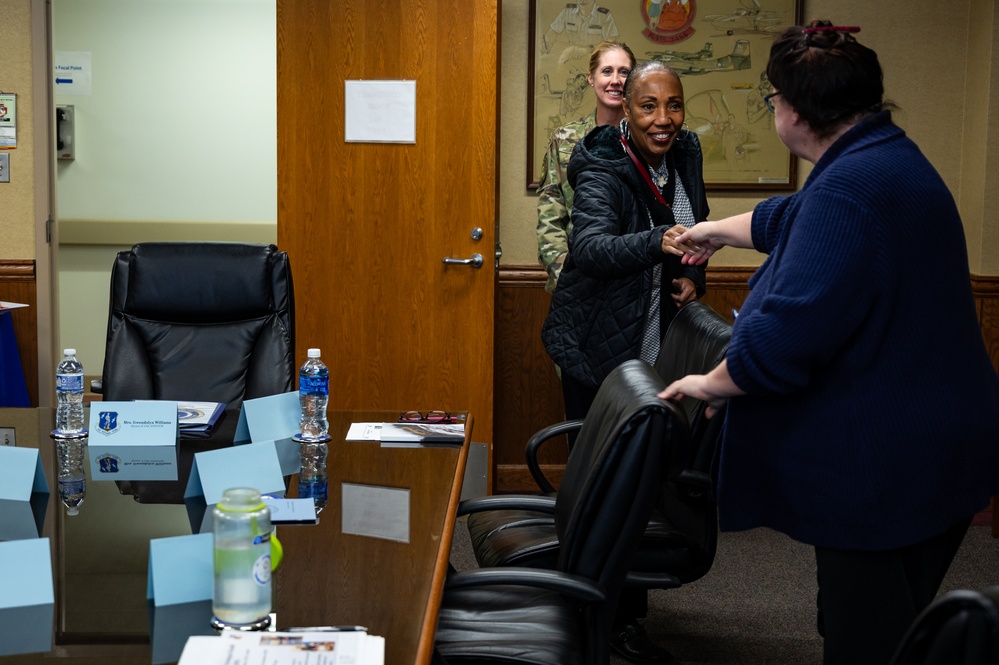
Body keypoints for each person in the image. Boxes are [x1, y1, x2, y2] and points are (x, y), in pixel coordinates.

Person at [659, 21, 999, 665]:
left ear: (793, 112)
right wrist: (713, 231)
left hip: (888, 462)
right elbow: (789, 216)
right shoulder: (883, 158)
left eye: (773, 100)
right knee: (892, 623)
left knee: (867, 640)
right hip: (936, 440)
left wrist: (709, 382)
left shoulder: (848, 189)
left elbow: (782, 339)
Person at [542, 59, 709, 665]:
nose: (663, 120)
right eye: (648, 107)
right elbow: (588, 247)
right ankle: (596, 621)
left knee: (645, 486)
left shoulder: (684, 151)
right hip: (596, 345)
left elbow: (696, 224)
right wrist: (657, 242)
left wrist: (694, 275)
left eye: (674, 105)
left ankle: (623, 617)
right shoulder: (601, 165)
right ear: (626, 110)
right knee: (606, 491)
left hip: (654, 334)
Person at [537, 39, 636, 294]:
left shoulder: (648, 139)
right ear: (591, 78)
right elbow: (550, 214)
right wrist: (564, 276)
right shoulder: (564, 139)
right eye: (607, 71)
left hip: (636, 282)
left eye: (624, 72)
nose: (615, 80)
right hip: (577, 281)